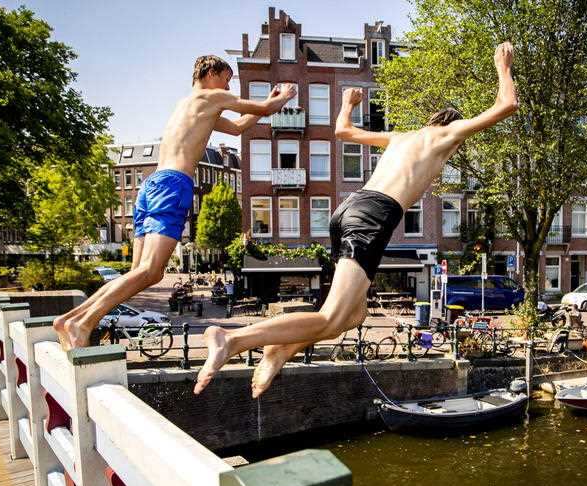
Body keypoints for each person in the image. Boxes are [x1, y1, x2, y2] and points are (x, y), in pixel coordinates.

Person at [194, 42, 518, 397]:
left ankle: (281, 348)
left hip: (349, 211)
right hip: (373, 218)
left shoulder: (401, 137)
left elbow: (342, 132)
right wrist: (503, 65)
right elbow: (506, 105)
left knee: (352, 317)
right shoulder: (445, 135)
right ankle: (231, 339)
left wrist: (348, 103)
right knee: (331, 317)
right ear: (453, 127)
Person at [53, 56, 296, 349]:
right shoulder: (211, 95)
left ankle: (72, 318)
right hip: (172, 184)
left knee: (139, 274)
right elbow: (265, 109)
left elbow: (237, 128)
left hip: (152, 184)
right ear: (210, 73)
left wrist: (266, 103)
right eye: (227, 77)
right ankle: (83, 323)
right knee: (152, 272)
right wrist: (283, 96)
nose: (229, 85)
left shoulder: (189, 105)